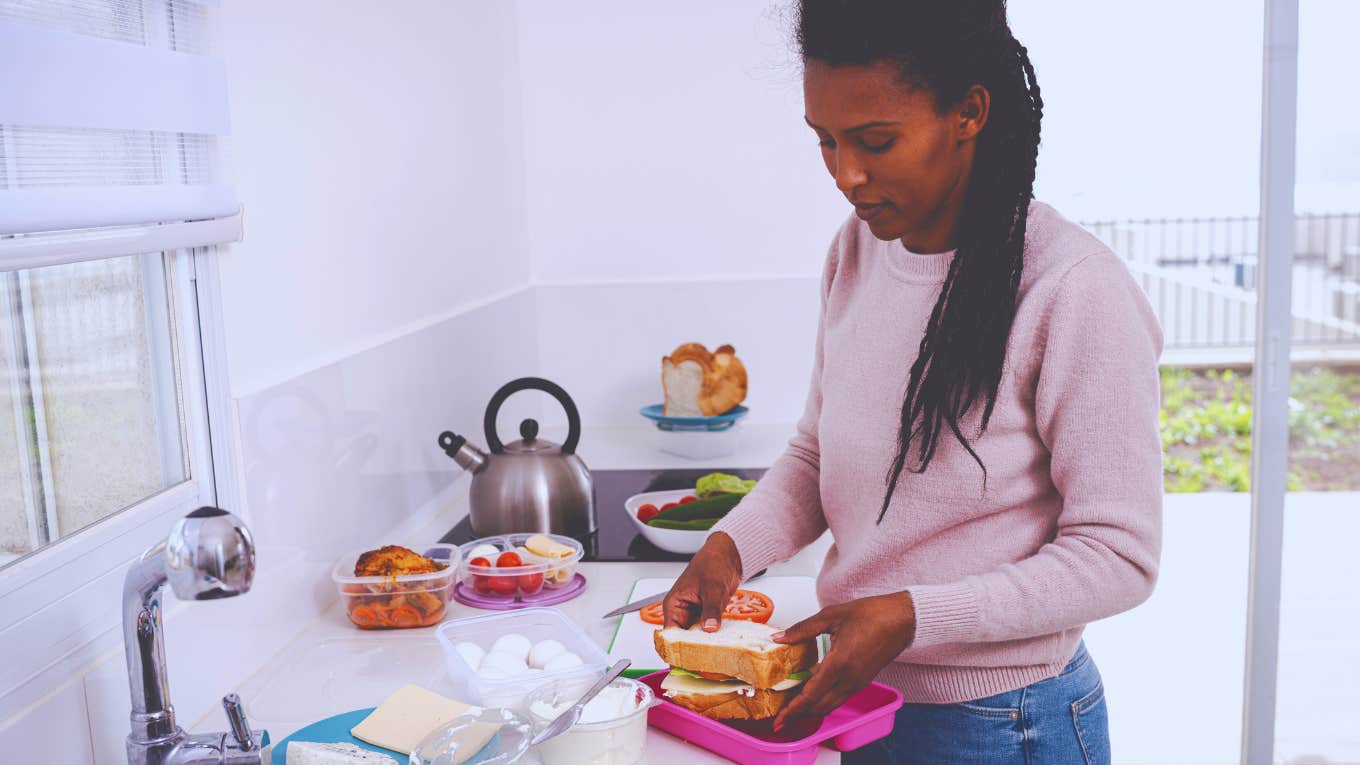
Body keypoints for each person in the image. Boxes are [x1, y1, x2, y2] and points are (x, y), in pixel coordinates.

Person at [661, 1, 1163, 762]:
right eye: (825, 141)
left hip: (1004, 723)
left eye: (875, 141)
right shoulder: (855, 253)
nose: (846, 174)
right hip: (861, 702)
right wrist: (732, 547)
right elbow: (817, 454)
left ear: (968, 111)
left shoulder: (1073, 287)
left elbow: (1119, 556)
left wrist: (912, 615)